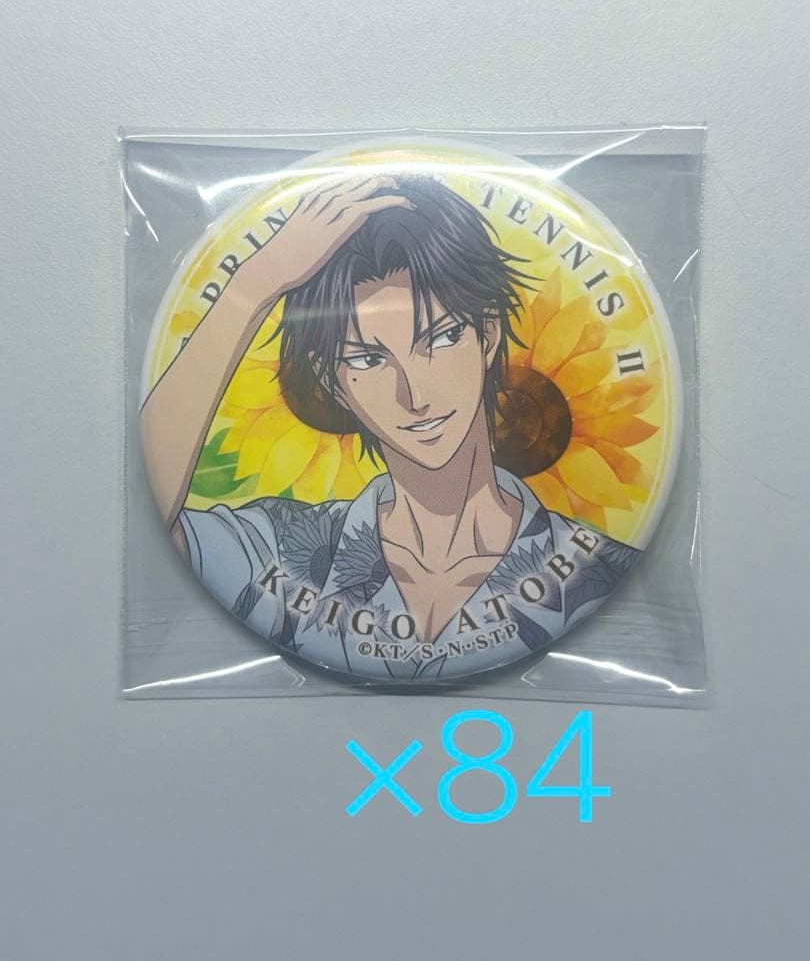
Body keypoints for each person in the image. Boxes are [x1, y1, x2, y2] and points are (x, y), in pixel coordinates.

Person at [140, 173, 637, 679]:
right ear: (331, 381)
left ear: (487, 337)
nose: (415, 396)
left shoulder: (598, 568)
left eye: (439, 338)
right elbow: (145, 515)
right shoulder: (283, 547)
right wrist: (255, 284)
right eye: (368, 359)